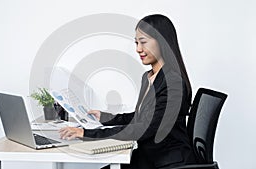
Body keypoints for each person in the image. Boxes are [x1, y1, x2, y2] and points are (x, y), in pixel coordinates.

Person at [59, 14, 197, 169]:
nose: (138, 49)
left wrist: (86, 134)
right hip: (148, 156)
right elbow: (140, 117)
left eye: (143, 42)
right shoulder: (149, 77)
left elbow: (145, 128)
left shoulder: (173, 83)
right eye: (136, 43)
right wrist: (104, 118)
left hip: (166, 162)